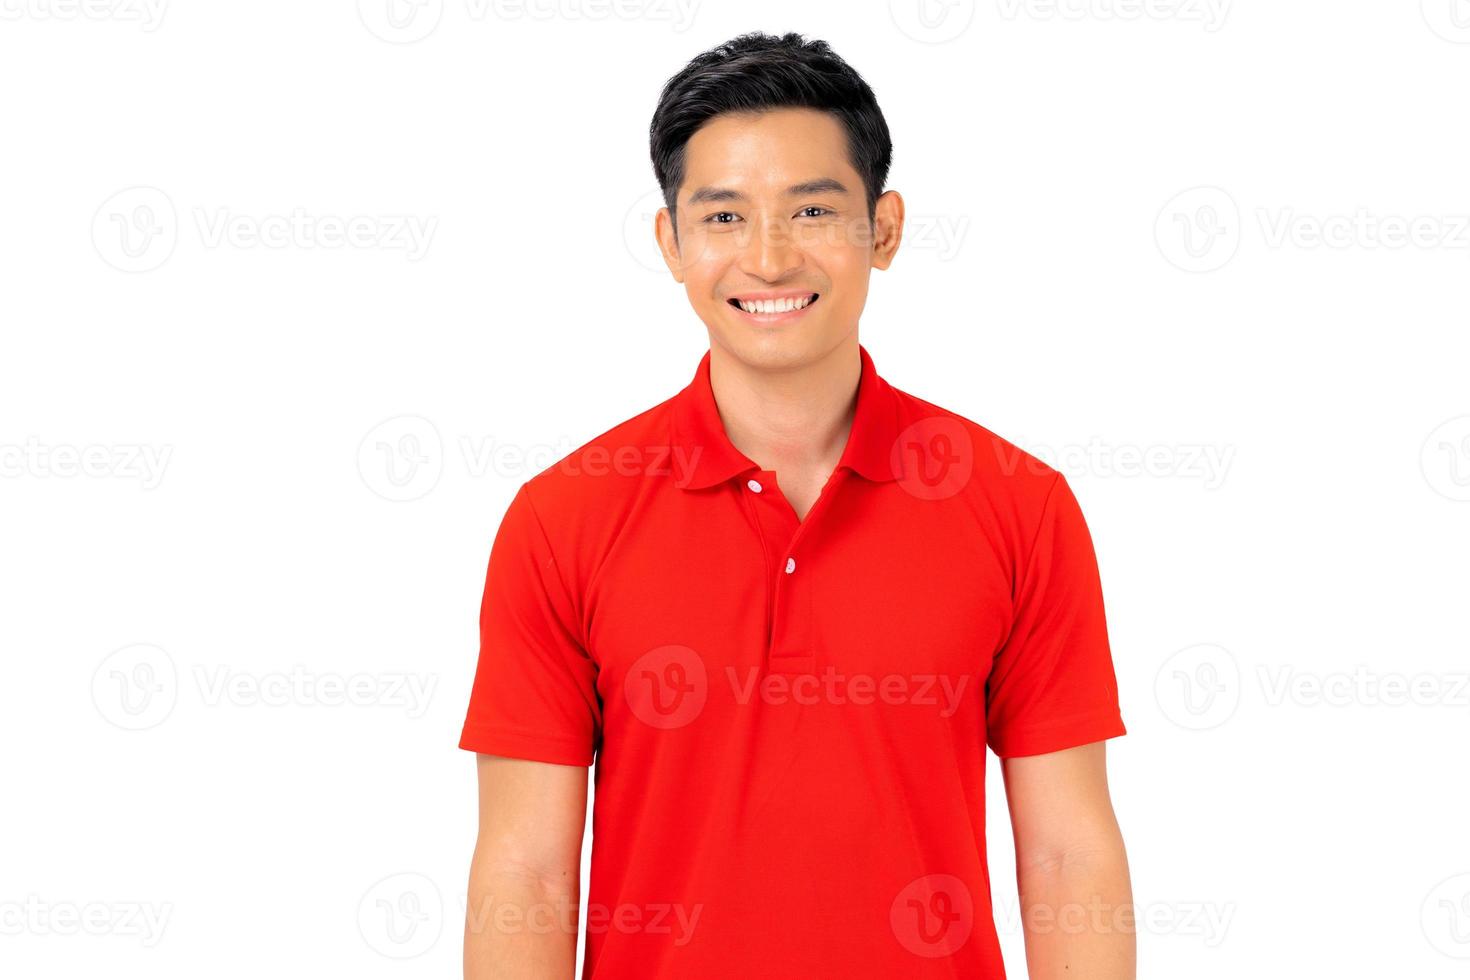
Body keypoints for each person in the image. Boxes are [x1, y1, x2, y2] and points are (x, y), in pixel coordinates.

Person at [460, 31, 1133, 980]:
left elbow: (1068, 859)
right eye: (725, 217)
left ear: (884, 229)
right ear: (673, 243)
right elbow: (526, 876)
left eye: (813, 208)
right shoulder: (563, 519)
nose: (769, 258)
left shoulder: (1017, 506)